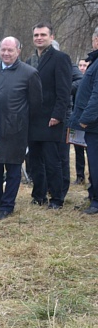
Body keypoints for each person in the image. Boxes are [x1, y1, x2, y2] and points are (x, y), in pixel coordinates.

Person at [0, 37, 42, 219]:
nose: (6, 53)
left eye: (10, 50)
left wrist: (20, 122)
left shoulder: (29, 73)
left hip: (16, 131)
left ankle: (7, 206)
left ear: (18, 51)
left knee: (13, 169)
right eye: (3, 50)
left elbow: (36, 104)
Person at [27, 22, 71, 209]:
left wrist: (58, 115)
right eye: (36, 35)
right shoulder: (29, 61)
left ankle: (57, 198)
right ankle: (39, 195)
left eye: (43, 35)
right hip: (33, 119)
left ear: (51, 37)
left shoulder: (60, 58)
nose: (39, 38)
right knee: (34, 160)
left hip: (51, 119)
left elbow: (64, 90)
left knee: (52, 161)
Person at [69, 26, 98, 215]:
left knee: (96, 163)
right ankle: (93, 196)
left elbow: (96, 95)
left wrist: (86, 119)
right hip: (92, 125)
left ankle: (96, 202)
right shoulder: (95, 61)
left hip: (94, 125)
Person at [73, 57, 90, 185]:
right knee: (78, 148)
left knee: (89, 150)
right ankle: (80, 176)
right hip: (76, 119)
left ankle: (92, 177)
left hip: (89, 120)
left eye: (85, 65)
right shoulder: (75, 83)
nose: (82, 68)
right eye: (80, 65)